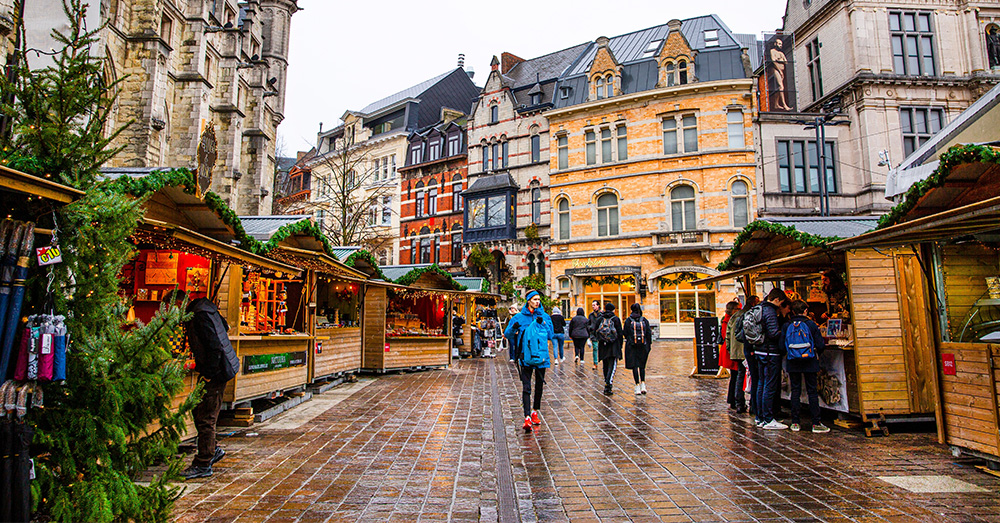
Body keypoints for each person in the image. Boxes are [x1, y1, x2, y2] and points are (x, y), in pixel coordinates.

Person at [176, 291, 240, 479]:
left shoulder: (199, 315)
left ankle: (203, 462)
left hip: (217, 371)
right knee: (199, 410)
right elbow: (225, 327)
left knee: (206, 416)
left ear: (179, 303)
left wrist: (209, 374)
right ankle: (212, 449)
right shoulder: (206, 309)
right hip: (221, 367)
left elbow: (214, 347)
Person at [504, 290, 554, 432]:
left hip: (541, 357)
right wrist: (514, 328)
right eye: (534, 299)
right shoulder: (519, 317)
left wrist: (544, 323)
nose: (537, 302)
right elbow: (507, 334)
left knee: (539, 386)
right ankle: (526, 416)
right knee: (526, 387)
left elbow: (550, 334)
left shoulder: (544, 316)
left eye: (538, 299)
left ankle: (535, 411)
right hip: (525, 357)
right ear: (528, 301)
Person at [781, 300, 830, 433]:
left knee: (795, 391)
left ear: (792, 311)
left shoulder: (787, 325)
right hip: (809, 361)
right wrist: (815, 354)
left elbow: (781, 346)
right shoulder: (811, 324)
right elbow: (820, 344)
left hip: (793, 361)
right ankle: (816, 423)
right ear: (806, 311)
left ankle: (795, 422)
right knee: (812, 391)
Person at [756, 288, 790, 430]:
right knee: (769, 385)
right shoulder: (770, 311)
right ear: (776, 300)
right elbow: (773, 333)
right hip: (769, 352)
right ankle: (768, 419)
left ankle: (760, 417)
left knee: (761, 384)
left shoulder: (759, 308)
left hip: (759, 350)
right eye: (781, 303)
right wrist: (785, 332)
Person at [738, 295, 760, 416]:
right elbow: (740, 334)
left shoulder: (743, 315)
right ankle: (753, 406)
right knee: (753, 378)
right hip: (749, 351)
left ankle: (748, 404)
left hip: (745, 350)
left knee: (746, 376)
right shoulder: (748, 316)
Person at [623, 303, 652, 395]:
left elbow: (625, 333)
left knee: (634, 366)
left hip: (632, 346)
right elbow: (648, 333)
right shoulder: (644, 320)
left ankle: (637, 385)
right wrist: (648, 345)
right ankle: (643, 384)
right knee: (642, 366)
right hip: (643, 346)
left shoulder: (628, 320)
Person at [595, 302, 624, 395]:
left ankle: (606, 381)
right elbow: (620, 333)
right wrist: (620, 346)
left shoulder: (600, 319)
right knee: (612, 365)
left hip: (603, 345)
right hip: (613, 345)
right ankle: (608, 384)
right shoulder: (615, 319)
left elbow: (595, 330)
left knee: (605, 364)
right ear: (613, 310)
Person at [720, 301, 743, 411]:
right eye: (738, 309)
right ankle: (734, 399)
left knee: (735, 376)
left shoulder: (728, 319)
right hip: (732, 350)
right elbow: (726, 335)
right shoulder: (730, 320)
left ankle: (732, 399)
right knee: (736, 376)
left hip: (731, 350)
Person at [587, 300, 603, 371]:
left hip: (601, 334)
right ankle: (595, 363)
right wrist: (590, 329)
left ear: (598, 306)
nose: (593, 307)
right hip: (593, 334)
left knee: (602, 348)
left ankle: (603, 361)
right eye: (592, 305)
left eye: (594, 305)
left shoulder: (602, 314)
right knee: (595, 348)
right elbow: (589, 324)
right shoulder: (591, 315)